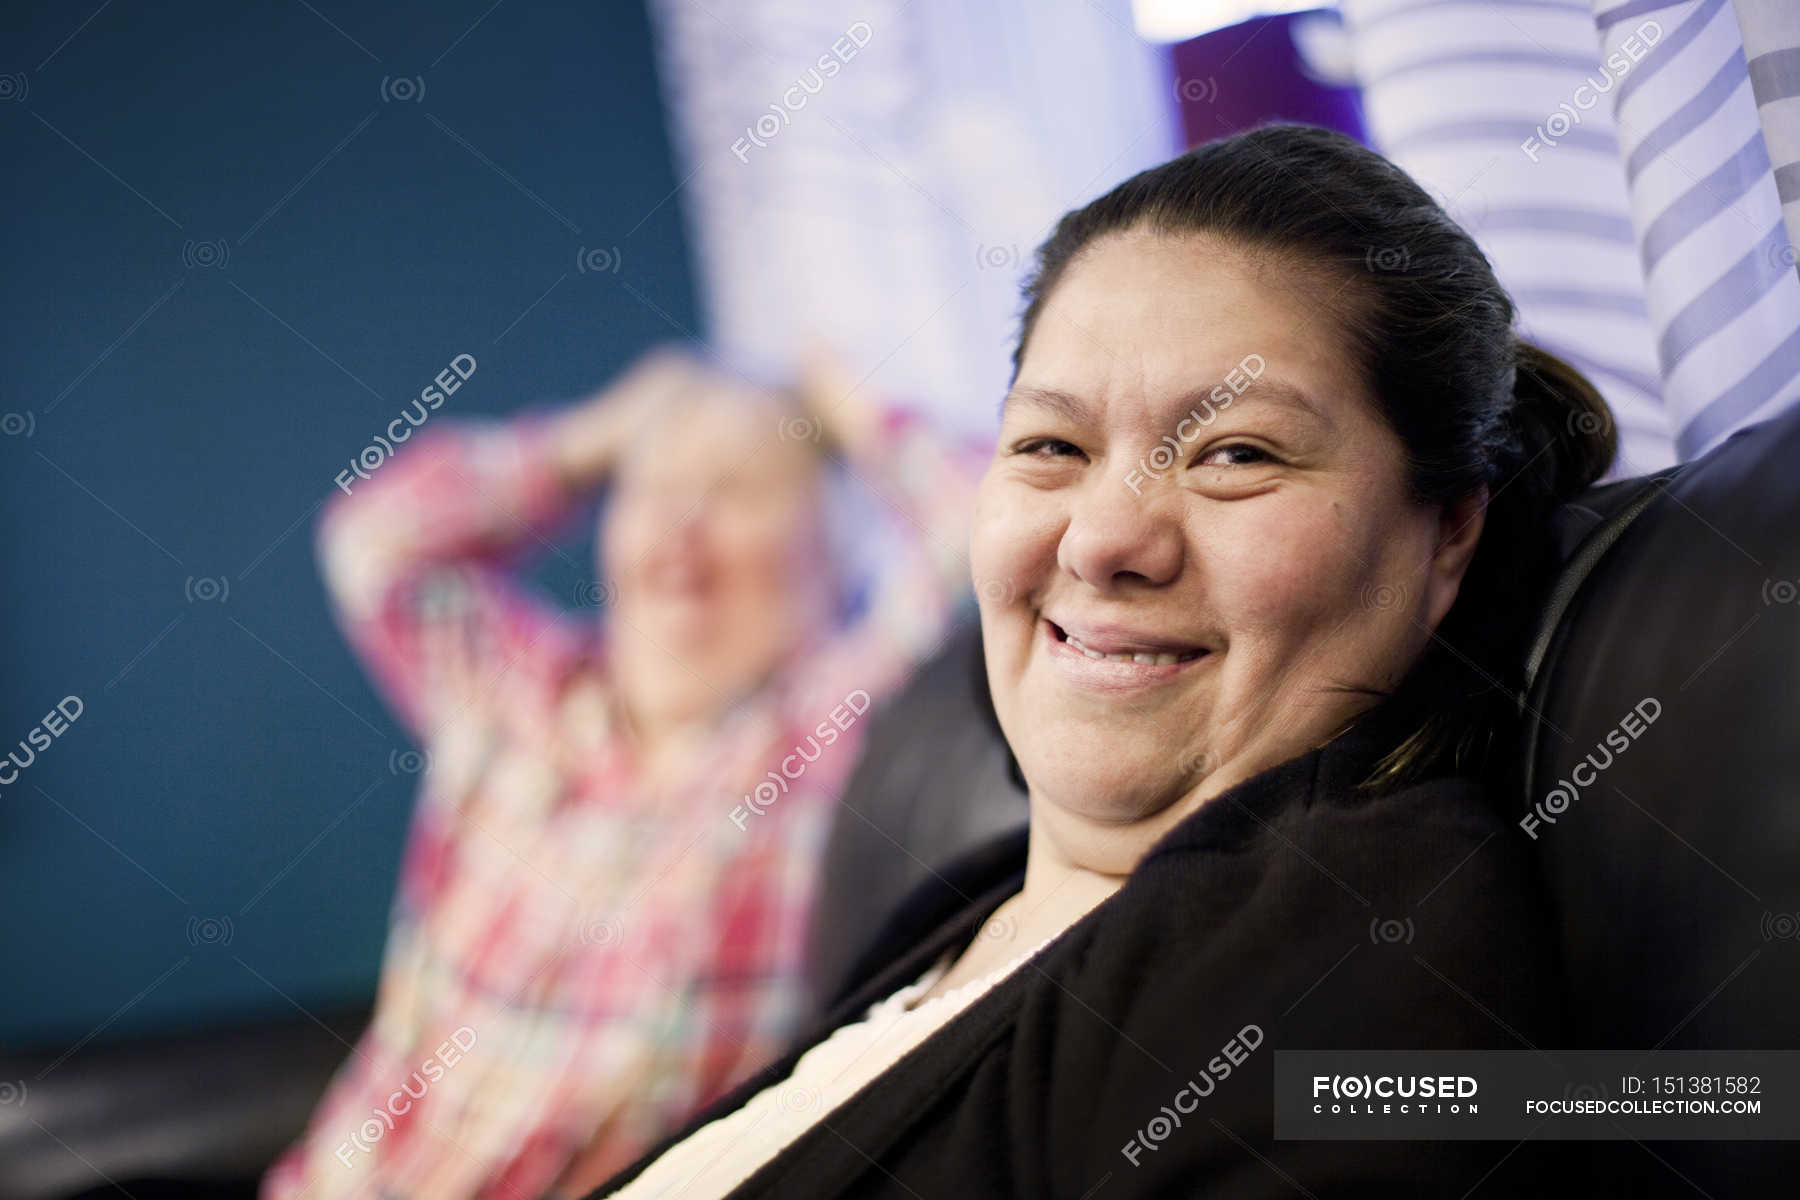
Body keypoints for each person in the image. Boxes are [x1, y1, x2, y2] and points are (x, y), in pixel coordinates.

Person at [585, 123, 1617, 1198]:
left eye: (1236, 454)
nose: (1102, 540)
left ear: (1446, 532)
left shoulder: (1354, 938)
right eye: (1053, 447)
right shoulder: (963, 913)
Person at [260, 346, 986, 1200]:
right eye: (652, 488)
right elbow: (372, 543)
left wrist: (848, 402)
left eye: (734, 490)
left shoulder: (818, 736)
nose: (681, 522)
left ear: (829, 564)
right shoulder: (515, 697)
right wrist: (593, 438)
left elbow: (992, 532)